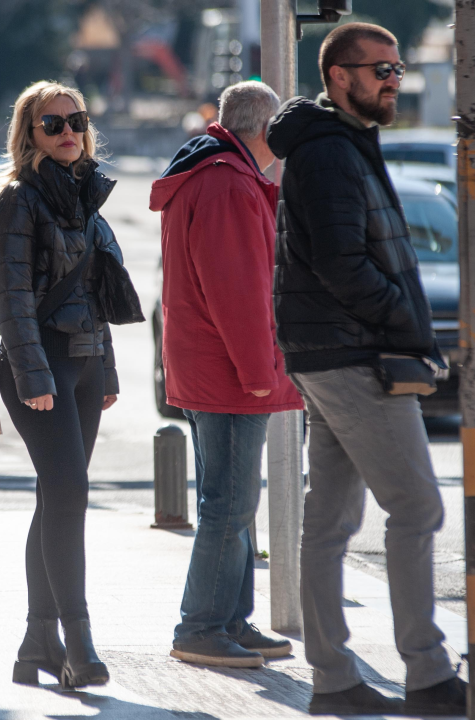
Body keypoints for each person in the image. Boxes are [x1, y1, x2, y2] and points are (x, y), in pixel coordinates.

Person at [266, 23, 466, 715]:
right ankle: (429, 673)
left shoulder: (341, 144)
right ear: (338, 76)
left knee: (329, 522)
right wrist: (400, 322)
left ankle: (334, 680)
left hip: (331, 350)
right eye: (379, 68)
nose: (392, 78)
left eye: (397, 66)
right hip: (351, 354)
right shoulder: (328, 153)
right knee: (416, 507)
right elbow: (341, 262)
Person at [0, 81, 136, 690]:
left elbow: (98, 290)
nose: (68, 130)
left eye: (77, 120)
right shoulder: (18, 201)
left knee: (58, 498)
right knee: (68, 494)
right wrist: (36, 374)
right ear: (29, 135)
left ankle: (37, 641)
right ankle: (78, 643)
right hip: (38, 367)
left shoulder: (85, 196)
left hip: (87, 364)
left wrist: (109, 371)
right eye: (53, 123)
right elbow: (12, 301)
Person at [149, 81, 303, 669]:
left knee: (233, 500)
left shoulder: (213, 172)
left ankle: (231, 621)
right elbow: (238, 292)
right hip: (231, 371)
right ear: (263, 131)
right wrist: (259, 372)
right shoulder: (227, 183)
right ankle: (202, 626)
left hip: (212, 366)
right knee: (229, 504)